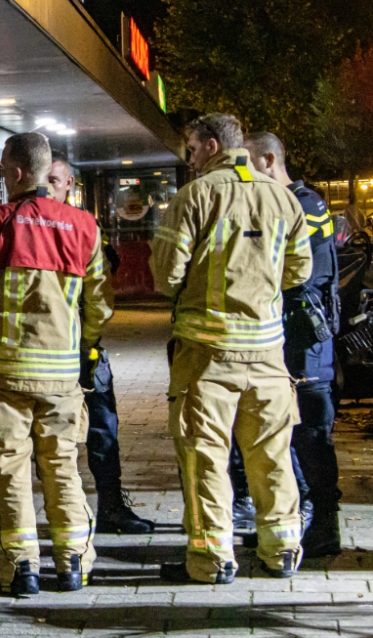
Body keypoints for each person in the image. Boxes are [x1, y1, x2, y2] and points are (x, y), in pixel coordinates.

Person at [150, 114, 311, 584]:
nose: (191, 159)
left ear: (213, 146)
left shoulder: (195, 197)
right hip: (267, 355)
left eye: (193, 150)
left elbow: (166, 277)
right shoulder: (283, 198)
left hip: (207, 356)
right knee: (271, 455)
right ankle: (281, 550)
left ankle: (211, 559)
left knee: (205, 456)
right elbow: (298, 271)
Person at [0, 132, 113, 595]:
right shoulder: (84, 226)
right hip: (62, 375)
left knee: (8, 468)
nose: (3, 177)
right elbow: (100, 305)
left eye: (4, 170)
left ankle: (19, 569)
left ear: (18, 172)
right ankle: (74, 565)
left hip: (4, 374)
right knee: (62, 467)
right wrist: (88, 346)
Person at [245, 131, 342, 557]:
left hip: (305, 336)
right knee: (288, 431)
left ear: (268, 159)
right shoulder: (295, 202)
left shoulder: (302, 204)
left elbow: (293, 271)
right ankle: (302, 516)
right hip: (290, 333)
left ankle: (323, 524)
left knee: (311, 433)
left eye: (248, 163)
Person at [48, 152, 154, 535]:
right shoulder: (22, 225)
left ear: (70, 185)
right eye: (44, 181)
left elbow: (103, 284)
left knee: (103, 429)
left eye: (55, 181)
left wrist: (89, 342)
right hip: (43, 353)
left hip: (83, 348)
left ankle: (110, 506)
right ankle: (64, 516)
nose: (49, 188)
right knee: (50, 441)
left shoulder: (85, 228)